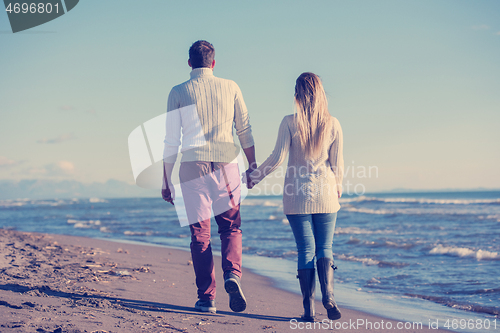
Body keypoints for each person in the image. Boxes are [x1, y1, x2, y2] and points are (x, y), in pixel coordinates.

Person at [162, 40, 257, 314]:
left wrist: (166, 180)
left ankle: (206, 299)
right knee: (231, 228)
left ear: (189, 63)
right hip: (227, 164)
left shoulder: (178, 91)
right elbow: (245, 129)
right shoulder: (231, 87)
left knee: (200, 235)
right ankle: (233, 275)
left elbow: (171, 140)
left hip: (193, 166)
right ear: (213, 63)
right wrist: (252, 165)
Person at [248, 72, 343, 322]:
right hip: (326, 194)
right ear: (322, 94)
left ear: (297, 95)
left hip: (296, 196)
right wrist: (338, 186)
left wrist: (255, 176)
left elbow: (278, 158)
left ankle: (308, 310)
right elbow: (337, 164)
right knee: (325, 247)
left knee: (305, 249)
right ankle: (329, 297)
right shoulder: (333, 124)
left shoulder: (289, 122)